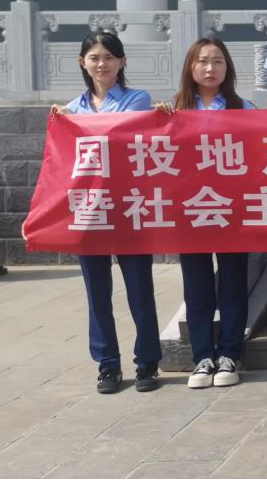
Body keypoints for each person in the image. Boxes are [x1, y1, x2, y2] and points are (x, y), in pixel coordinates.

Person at [52, 31, 160, 395]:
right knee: (97, 292)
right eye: (94, 57)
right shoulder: (71, 108)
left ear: (122, 62)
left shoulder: (137, 99)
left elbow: (120, 134)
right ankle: (108, 365)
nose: (102, 64)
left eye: (109, 57)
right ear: (82, 63)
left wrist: (75, 123)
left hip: (129, 205)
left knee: (140, 289)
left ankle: (147, 362)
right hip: (90, 209)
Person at [153, 37, 252, 390]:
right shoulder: (173, 109)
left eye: (218, 61)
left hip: (231, 209)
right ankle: (202, 357)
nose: (210, 68)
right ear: (190, 68)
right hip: (190, 210)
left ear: (228, 68)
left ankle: (229, 354)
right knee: (196, 287)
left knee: (233, 284)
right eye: (203, 61)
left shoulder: (244, 109)